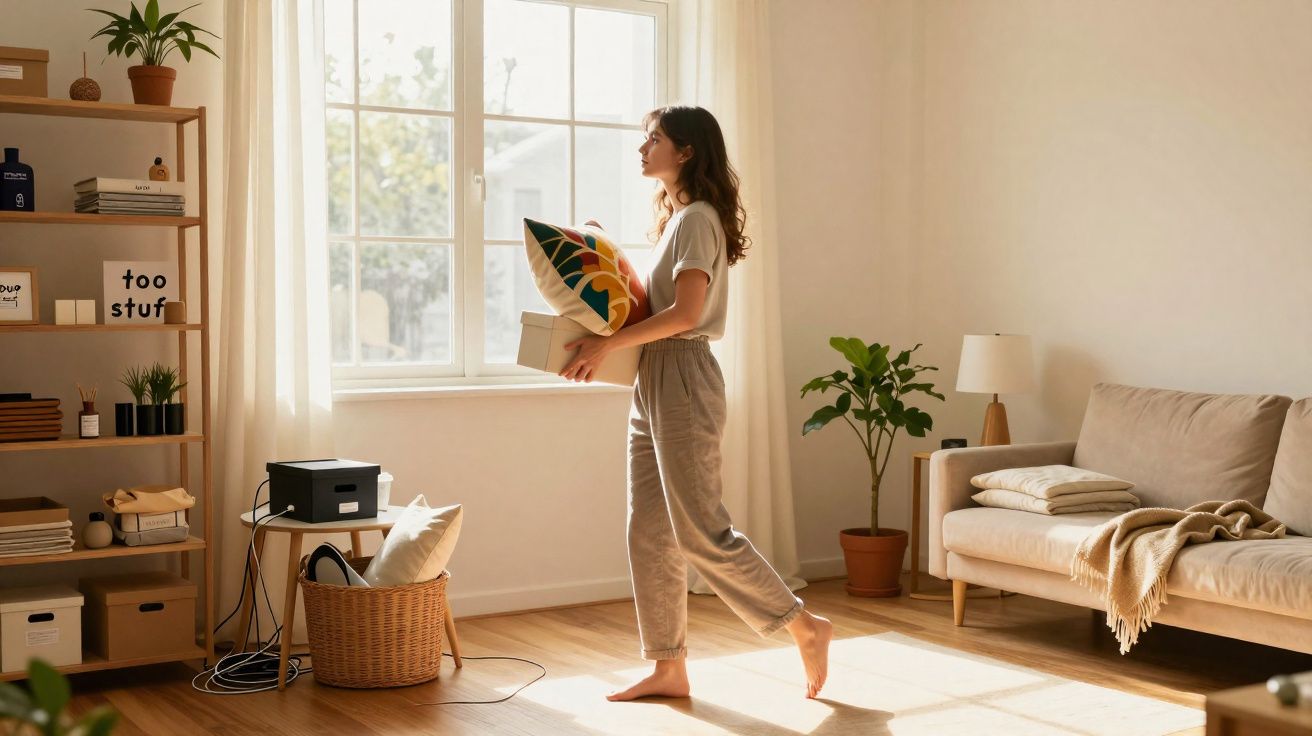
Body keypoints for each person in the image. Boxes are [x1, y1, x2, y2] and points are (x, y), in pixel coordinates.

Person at [560, 105, 832, 701]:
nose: (641, 148)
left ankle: (804, 625)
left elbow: (685, 316)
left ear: (684, 151)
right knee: (649, 533)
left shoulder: (698, 220)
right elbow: (656, 304)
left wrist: (605, 346)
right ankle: (668, 667)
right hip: (654, 378)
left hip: (683, 377)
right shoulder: (682, 220)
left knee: (701, 531)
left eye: (652, 139)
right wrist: (605, 255)